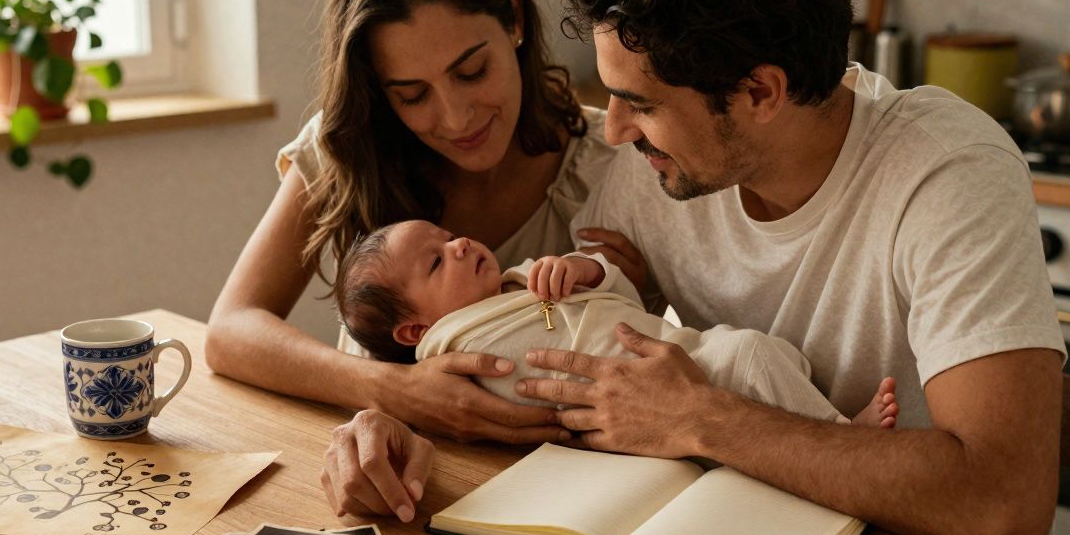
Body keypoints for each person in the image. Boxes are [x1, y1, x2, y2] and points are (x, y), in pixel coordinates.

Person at [322, 0, 1065, 535]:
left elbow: (1001, 509)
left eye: (639, 103)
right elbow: (552, 355)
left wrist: (704, 418)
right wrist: (393, 419)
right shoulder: (649, 177)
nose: (610, 130)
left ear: (761, 94)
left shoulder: (945, 172)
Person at [206, 0, 646, 455]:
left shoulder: (614, 156)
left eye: (473, 70)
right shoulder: (350, 147)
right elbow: (231, 329)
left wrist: (636, 289)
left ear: (515, 20)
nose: (456, 118)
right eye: (412, 95)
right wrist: (393, 390)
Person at [334, 219, 897, 426]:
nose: (458, 246)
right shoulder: (457, 358)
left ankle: (828, 424)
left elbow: (628, 300)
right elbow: (527, 404)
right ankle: (844, 434)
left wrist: (583, 269)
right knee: (750, 359)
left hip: (681, 350)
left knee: (768, 356)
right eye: (436, 262)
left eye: (446, 235)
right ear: (414, 333)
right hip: (644, 395)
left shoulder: (522, 276)